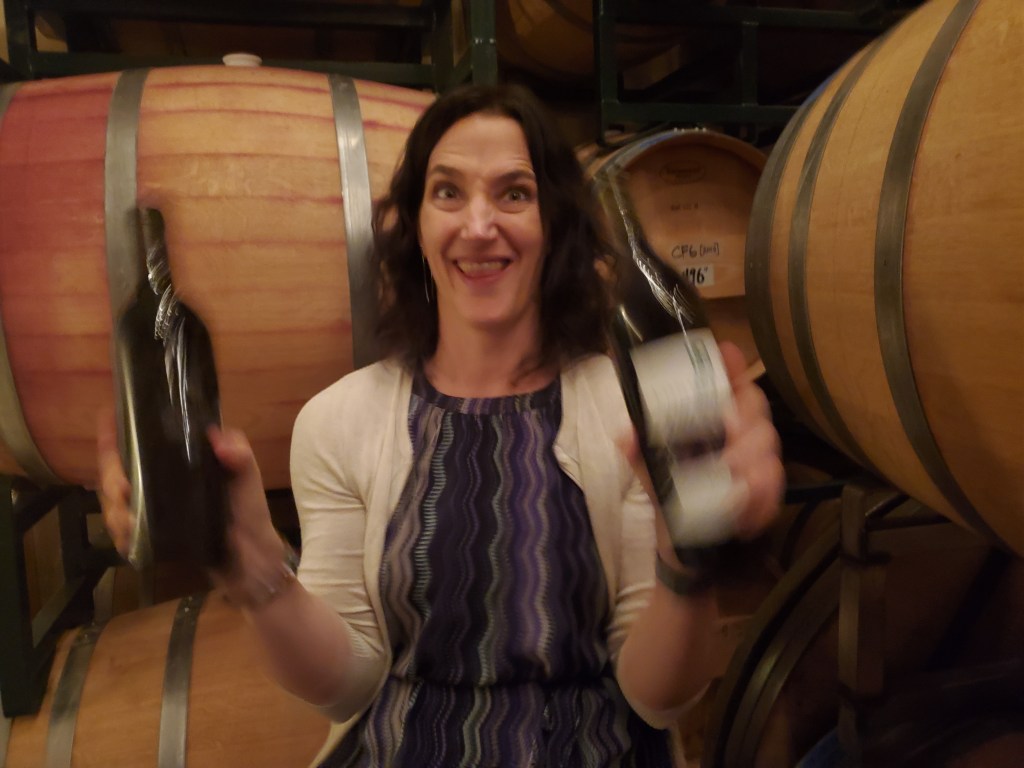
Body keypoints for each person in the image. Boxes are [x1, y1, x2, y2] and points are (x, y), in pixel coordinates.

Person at [98, 83, 784, 767]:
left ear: (553, 224)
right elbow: (349, 687)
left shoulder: (627, 407)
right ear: (418, 226)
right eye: (448, 192)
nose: (478, 224)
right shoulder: (338, 422)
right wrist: (256, 580)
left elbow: (655, 698)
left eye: (514, 193)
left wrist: (686, 562)